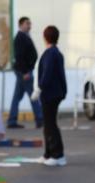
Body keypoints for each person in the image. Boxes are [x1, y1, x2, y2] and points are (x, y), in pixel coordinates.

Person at [34, 25, 67, 166]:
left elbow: (47, 74)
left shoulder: (50, 53)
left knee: (50, 124)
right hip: (55, 92)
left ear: (45, 37)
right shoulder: (56, 52)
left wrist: (39, 89)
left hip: (50, 94)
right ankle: (48, 154)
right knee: (48, 124)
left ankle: (57, 155)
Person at [7, 17, 43, 129]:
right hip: (24, 71)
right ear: (21, 25)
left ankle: (12, 120)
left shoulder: (25, 37)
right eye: (27, 23)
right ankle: (40, 119)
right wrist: (25, 72)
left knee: (17, 96)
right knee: (33, 95)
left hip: (25, 70)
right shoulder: (20, 38)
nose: (29, 26)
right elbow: (20, 57)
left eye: (30, 24)